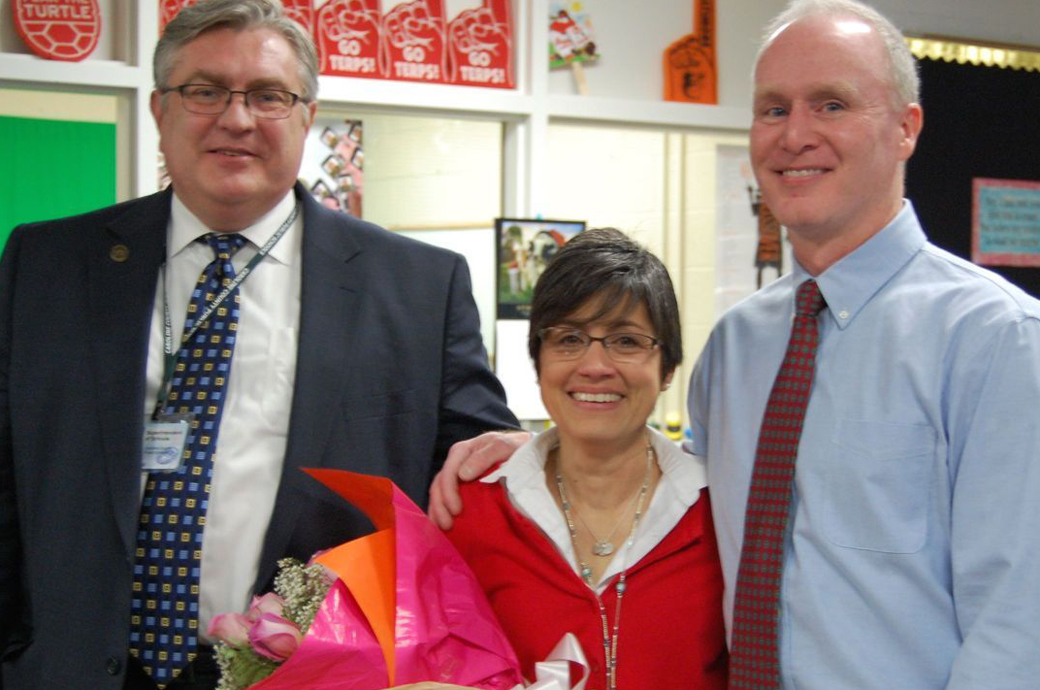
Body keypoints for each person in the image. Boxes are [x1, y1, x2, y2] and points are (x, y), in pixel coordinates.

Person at [429, 1, 1040, 688]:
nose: (795, 134)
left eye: (831, 104)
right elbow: (685, 499)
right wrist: (555, 449)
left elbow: (1019, 625)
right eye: (773, 110)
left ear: (906, 127)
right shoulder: (738, 346)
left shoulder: (995, 341)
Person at [0, 2, 516, 689]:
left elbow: (475, 471)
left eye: (269, 96)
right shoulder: (49, 264)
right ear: (159, 111)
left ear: (307, 115)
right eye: (205, 90)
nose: (236, 119)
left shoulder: (419, 286)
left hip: (312, 672)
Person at [448, 228, 727, 690]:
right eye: (569, 339)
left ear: (668, 369)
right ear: (538, 363)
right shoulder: (469, 514)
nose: (595, 365)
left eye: (627, 341)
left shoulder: (721, 515)